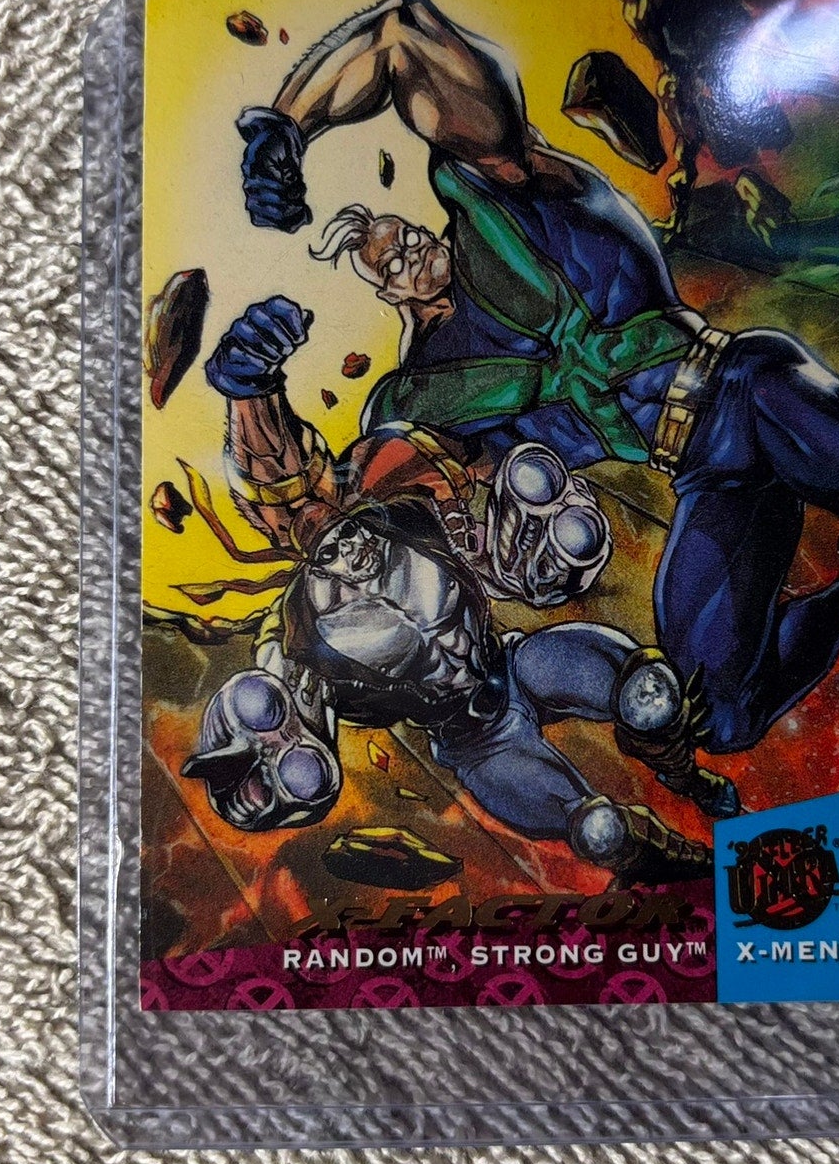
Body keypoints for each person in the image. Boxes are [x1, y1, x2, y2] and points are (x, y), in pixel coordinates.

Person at [224, 0, 839, 753]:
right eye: (386, 264)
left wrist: (287, 125)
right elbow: (314, 507)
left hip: (749, 390)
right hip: (706, 473)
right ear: (386, 294)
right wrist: (250, 388)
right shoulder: (422, 397)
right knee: (716, 715)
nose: (404, 253)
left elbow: (404, 34)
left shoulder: (511, 200)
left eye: (403, 236)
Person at [181, 300, 737, 888]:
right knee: (600, 831)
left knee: (651, 694)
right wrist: (249, 389)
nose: (348, 547)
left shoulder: (407, 514)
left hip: (516, 664)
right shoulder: (301, 634)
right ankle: (682, 867)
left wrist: (535, 547)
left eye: (344, 530)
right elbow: (277, 487)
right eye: (326, 547)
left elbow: (490, 542)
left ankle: (685, 775)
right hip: (477, 740)